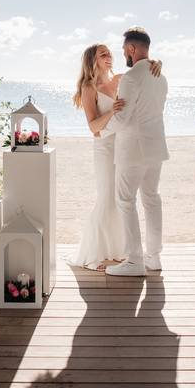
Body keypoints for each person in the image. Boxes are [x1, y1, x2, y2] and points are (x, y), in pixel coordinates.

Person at [69, 43, 161, 271]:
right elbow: (93, 127)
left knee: (122, 200)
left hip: (124, 145)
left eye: (110, 53)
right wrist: (113, 111)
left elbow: (142, 78)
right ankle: (96, 254)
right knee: (107, 196)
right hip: (104, 147)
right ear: (93, 60)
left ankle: (121, 252)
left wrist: (157, 64)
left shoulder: (121, 78)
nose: (109, 57)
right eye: (103, 55)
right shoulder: (89, 88)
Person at [104, 27, 169, 277]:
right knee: (151, 199)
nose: (124, 55)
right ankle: (154, 257)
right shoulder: (160, 77)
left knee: (125, 200)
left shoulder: (130, 78)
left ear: (132, 49)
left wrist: (101, 130)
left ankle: (134, 260)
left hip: (133, 150)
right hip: (156, 147)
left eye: (124, 50)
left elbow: (122, 118)